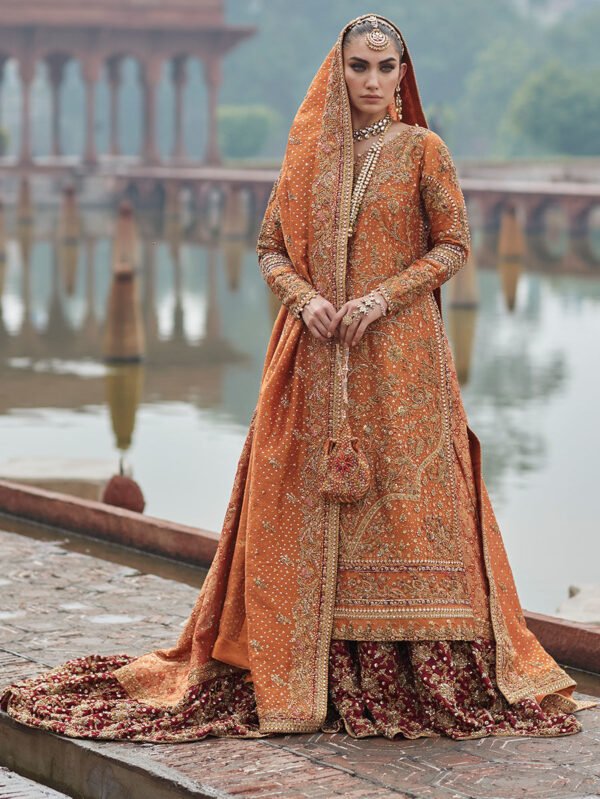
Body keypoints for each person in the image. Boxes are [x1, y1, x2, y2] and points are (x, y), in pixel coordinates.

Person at [1, 13, 596, 742]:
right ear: (336, 71)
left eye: (386, 67)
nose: (372, 81)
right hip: (313, 355)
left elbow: (454, 245)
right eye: (359, 66)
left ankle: (417, 667)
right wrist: (307, 299)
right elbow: (269, 246)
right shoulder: (308, 156)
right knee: (311, 498)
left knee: (409, 505)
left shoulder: (423, 150)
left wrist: (383, 297)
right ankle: (312, 669)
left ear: (404, 74)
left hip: (403, 361)